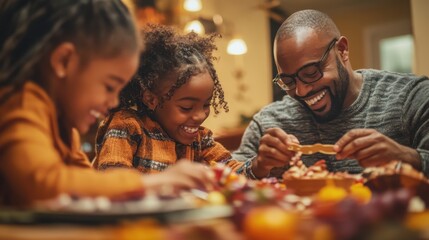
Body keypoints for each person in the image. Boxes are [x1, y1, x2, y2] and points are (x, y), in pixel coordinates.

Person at [0, 0, 215, 207]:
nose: (113, 102)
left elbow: (86, 187)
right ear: (64, 61)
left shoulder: (64, 127)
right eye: (109, 86)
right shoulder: (21, 102)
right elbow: (44, 184)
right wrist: (152, 183)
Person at [232, 9, 429, 179]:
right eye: (289, 81)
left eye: (311, 73)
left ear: (342, 50)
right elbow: (225, 182)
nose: (301, 91)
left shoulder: (412, 97)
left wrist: (408, 157)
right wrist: (257, 167)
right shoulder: (269, 122)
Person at [93, 24, 245, 175]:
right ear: (151, 100)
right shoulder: (126, 126)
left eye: (206, 105)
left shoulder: (200, 139)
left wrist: (258, 166)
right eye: (186, 107)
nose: (200, 115)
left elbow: (234, 171)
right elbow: (113, 179)